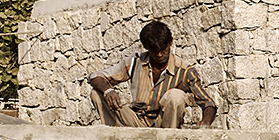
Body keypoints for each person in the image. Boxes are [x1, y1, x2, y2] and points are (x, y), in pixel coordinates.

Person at [88, 20, 218, 128]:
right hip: (134, 122)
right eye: (154, 51)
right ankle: (115, 139)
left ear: (170, 43)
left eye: (163, 49)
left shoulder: (185, 71)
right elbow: (95, 76)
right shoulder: (135, 62)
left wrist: (206, 122)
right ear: (147, 48)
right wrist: (108, 90)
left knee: (176, 96)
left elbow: (208, 103)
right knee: (97, 93)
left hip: (163, 125)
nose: (160, 55)